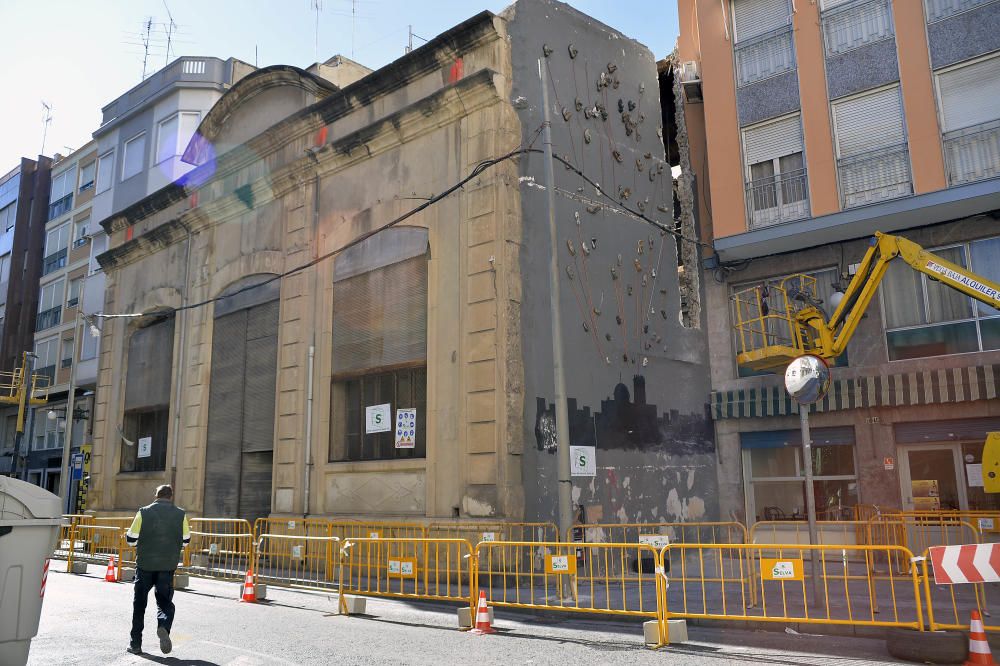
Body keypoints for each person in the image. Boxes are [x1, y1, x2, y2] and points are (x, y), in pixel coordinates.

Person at [124, 484, 190, 655]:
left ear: (156, 495)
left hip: (145, 565)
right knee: (165, 603)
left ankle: (136, 644)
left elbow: (131, 539)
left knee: (139, 605)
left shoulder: (143, 512)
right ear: (171, 496)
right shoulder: (180, 514)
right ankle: (163, 626)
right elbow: (186, 540)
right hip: (167, 567)